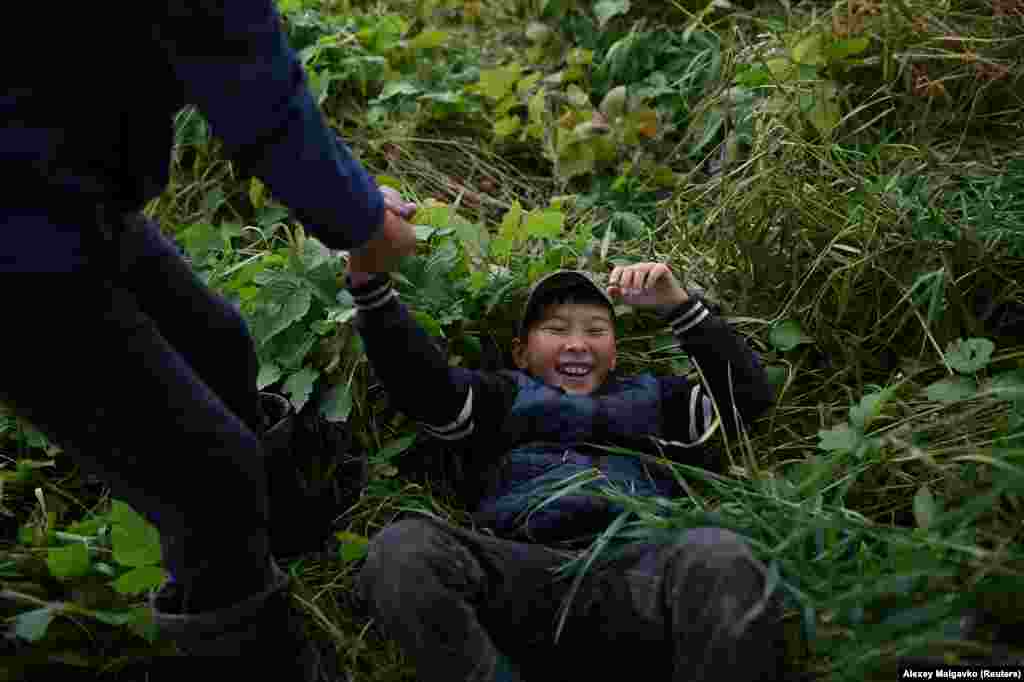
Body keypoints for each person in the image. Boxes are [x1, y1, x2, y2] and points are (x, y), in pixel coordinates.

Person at [1, 1, 416, 679]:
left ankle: (281, 536)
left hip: (59, 186)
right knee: (208, 484)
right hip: (19, 245)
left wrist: (355, 202)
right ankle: (248, 639)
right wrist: (365, 221)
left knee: (218, 341)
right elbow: (256, 93)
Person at [347, 261, 787, 681]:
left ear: (614, 354)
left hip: (640, 576)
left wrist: (679, 305)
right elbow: (421, 385)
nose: (577, 344)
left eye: (596, 331)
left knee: (722, 554)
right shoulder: (499, 397)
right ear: (520, 352)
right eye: (556, 329)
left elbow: (748, 398)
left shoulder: (658, 400)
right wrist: (370, 284)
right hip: (526, 578)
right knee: (401, 550)